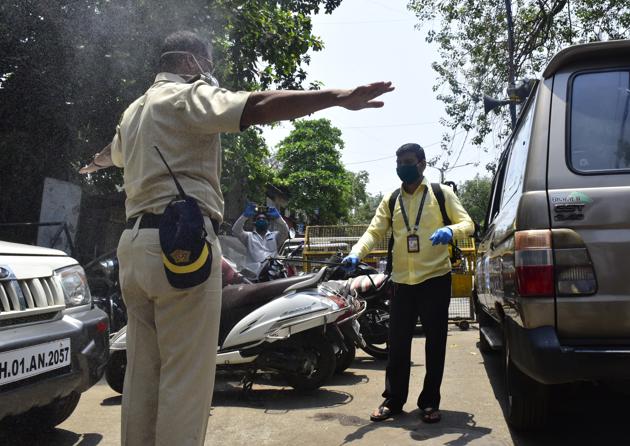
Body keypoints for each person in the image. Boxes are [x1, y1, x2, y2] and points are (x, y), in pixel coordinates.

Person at [80, 30, 393, 446]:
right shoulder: (186, 98)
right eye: (207, 63)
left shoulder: (134, 111)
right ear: (191, 62)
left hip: (134, 251)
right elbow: (257, 104)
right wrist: (337, 95)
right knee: (186, 377)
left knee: (142, 374)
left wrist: (93, 164)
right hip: (182, 251)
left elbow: (111, 153)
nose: (209, 72)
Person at [342, 143, 473, 424]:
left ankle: (429, 402)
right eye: (399, 162)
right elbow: (374, 231)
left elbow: (468, 224)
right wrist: (356, 253)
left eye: (409, 161)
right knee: (398, 344)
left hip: (435, 280)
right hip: (402, 282)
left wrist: (450, 230)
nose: (403, 166)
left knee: (434, 344)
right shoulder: (391, 199)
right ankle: (393, 400)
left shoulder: (441, 193)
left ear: (422, 164)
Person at [232, 204, 289, 276]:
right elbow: (235, 230)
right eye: (258, 219)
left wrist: (278, 217)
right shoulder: (248, 237)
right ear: (254, 223)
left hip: (272, 274)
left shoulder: (275, 236)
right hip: (253, 275)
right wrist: (245, 216)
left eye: (264, 219)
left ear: (268, 223)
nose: (261, 220)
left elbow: (285, 231)